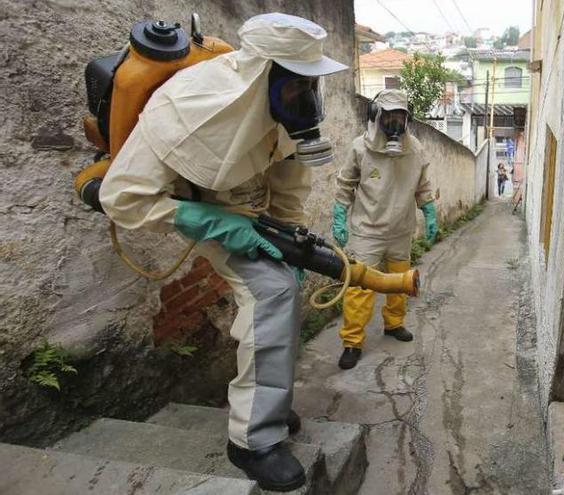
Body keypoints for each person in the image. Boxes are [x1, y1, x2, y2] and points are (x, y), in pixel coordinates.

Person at [99, 14, 347, 492]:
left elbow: (290, 181)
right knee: (271, 290)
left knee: (287, 284)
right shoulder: (185, 105)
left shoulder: (286, 102)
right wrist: (212, 222)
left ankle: (266, 403)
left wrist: (289, 239)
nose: (306, 99)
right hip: (205, 210)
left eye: (309, 85)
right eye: (298, 85)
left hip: (253, 215)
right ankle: (252, 440)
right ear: (262, 74)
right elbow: (123, 197)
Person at [331, 89, 437, 370]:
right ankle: (352, 341)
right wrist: (339, 214)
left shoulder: (415, 150)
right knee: (359, 288)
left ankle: (394, 324)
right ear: (376, 116)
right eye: (387, 115)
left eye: (399, 116)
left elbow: (423, 186)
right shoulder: (360, 147)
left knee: (400, 281)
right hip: (367, 231)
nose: (393, 122)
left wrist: (429, 211)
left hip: (401, 230)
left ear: (407, 119)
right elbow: (345, 184)